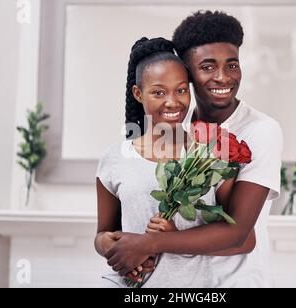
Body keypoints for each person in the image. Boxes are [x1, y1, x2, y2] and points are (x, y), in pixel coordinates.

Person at [104, 11, 283, 288]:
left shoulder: (262, 130)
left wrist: (149, 243)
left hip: (239, 280)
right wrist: (132, 250)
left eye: (232, 65)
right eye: (208, 67)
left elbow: (238, 232)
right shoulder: (178, 124)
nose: (223, 77)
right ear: (187, 75)